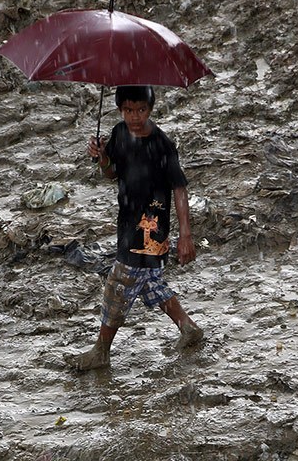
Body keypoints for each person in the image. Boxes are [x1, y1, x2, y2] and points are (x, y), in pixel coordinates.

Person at [67, 85, 203, 371]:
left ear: (151, 109)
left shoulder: (162, 145)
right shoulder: (118, 133)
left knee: (117, 286)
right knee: (150, 284)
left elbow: (179, 188)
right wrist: (102, 156)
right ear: (120, 110)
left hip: (151, 230)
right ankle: (188, 328)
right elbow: (111, 173)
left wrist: (185, 235)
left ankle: (101, 351)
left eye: (141, 110)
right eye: (129, 110)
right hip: (127, 222)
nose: (135, 116)